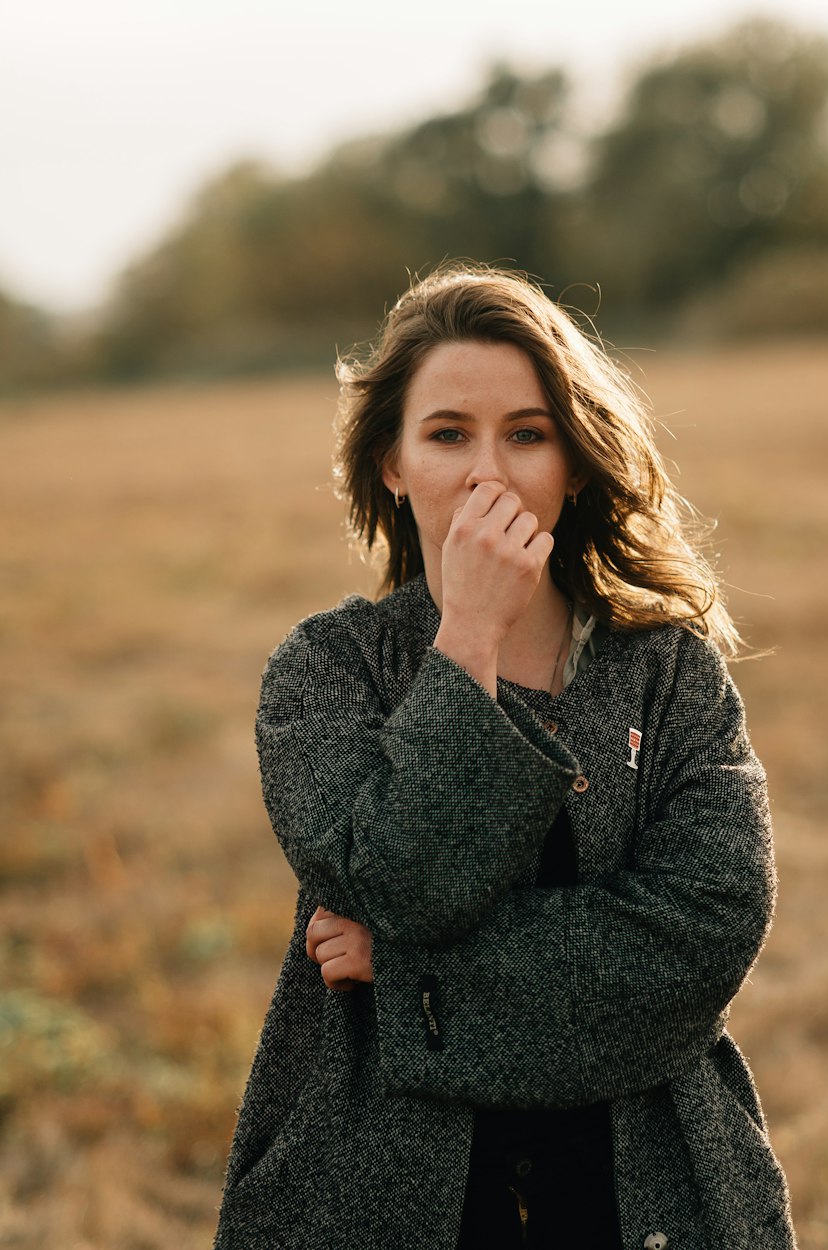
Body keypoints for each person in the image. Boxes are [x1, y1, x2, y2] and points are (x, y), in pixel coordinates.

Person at [213, 265, 797, 1250]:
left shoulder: (669, 673)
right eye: (448, 433)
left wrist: (406, 979)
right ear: (393, 463)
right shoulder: (324, 668)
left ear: (571, 460)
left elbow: (698, 934)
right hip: (375, 1191)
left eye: (526, 433)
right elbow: (401, 882)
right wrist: (470, 637)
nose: (489, 472)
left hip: (639, 1189)